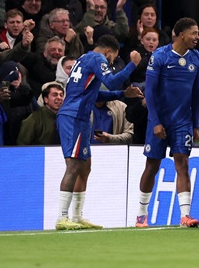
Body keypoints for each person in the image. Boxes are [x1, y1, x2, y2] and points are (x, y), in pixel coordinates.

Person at [55, 36, 143, 230]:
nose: (110, 64)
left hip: (79, 117)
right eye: (111, 60)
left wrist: (123, 95)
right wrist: (132, 65)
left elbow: (95, 94)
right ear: (107, 53)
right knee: (74, 165)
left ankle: (77, 217)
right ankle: (62, 217)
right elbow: (111, 82)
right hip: (75, 117)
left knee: (84, 167)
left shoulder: (83, 59)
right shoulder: (97, 59)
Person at [136, 18, 199, 228]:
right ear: (181, 34)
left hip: (182, 121)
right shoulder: (160, 56)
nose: (197, 37)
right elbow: (150, 91)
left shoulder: (197, 58)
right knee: (152, 165)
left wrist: (195, 125)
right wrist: (155, 121)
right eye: (194, 33)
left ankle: (185, 216)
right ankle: (141, 214)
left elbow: (197, 94)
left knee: (182, 163)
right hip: (159, 120)